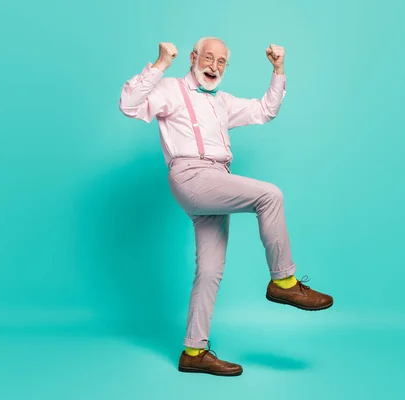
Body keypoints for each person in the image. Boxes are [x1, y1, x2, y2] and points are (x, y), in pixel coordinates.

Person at [118, 37, 333, 376]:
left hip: (216, 181)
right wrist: (159, 64)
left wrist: (278, 71)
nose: (214, 66)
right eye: (208, 58)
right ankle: (284, 282)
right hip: (190, 175)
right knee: (270, 195)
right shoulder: (170, 89)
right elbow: (129, 104)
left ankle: (193, 351)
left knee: (210, 270)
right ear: (193, 58)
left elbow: (265, 111)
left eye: (221, 62)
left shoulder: (223, 103)